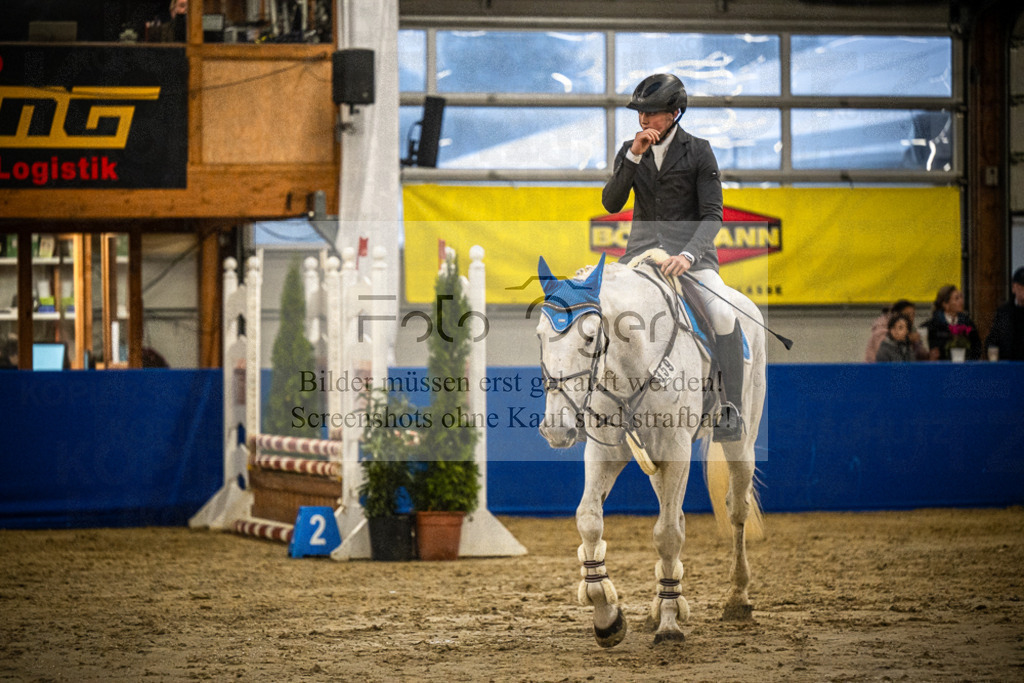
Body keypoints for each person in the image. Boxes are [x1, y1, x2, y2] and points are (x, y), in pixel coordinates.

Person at [601, 73, 743, 442]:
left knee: (724, 314)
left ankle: (730, 408)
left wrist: (688, 255)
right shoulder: (630, 151)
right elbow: (611, 202)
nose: (644, 120)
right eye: (640, 113)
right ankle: (597, 404)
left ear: (675, 113)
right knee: (601, 309)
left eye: (653, 113)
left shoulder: (699, 150)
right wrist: (633, 156)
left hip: (691, 260)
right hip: (640, 257)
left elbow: (713, 214)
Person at [924, 284, 982, 360]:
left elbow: (976, 346)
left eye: (961, 297)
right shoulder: (934, 324)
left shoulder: (967, 322)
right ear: (945, 304)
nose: (961, 301)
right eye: (956, 298)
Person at [984, 266, 1024, 361]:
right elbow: (992, 341)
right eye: (1021, 287)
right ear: (1014, 288)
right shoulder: (1004, 312)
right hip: (1008, 366)